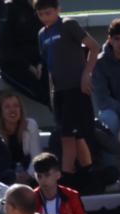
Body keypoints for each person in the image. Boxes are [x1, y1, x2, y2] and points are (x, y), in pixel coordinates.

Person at [33, 0, 98, 178]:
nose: (45, 18)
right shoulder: (42, 34)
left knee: (68, 136)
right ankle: (88, 170)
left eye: (48, 13)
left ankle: (66, 175)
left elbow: (94, 47)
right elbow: (48, 63)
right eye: (40, 14)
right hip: (59, 91)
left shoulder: (68, 25)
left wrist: (86, 74)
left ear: (57, 10)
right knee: (74, 136)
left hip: (75, 89)